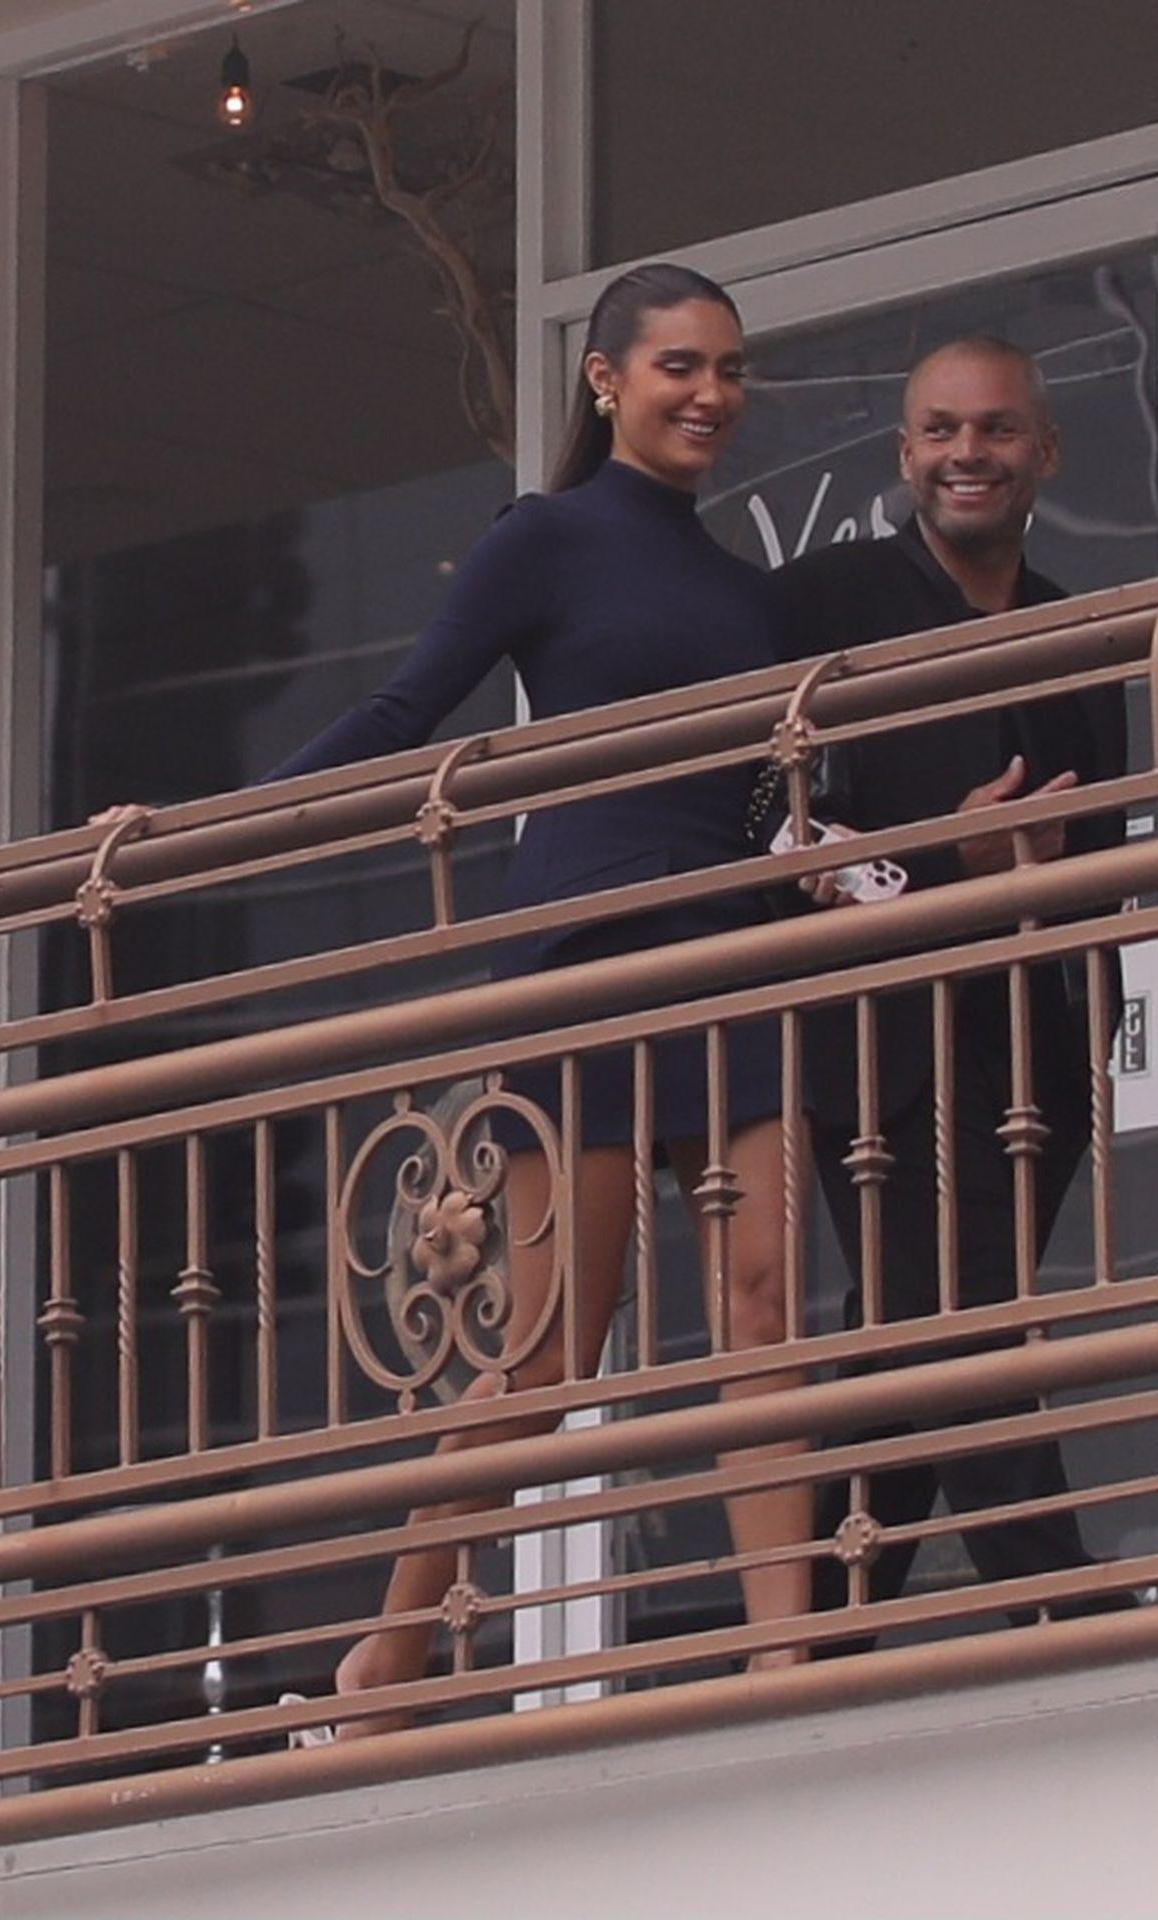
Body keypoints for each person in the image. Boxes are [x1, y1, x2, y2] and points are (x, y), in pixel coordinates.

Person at [269, 264, 812, 1734]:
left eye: (731, 369)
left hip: (729, 947)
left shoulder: (747, 590)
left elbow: (769, 795)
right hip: (581, 950)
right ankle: (388, 1657)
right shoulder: (545, 538)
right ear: (607, 380)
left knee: (764, 1303)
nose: (711, 394)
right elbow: (403, 712)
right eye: (680, 366)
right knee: (556, 1344)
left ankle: (785, 1655)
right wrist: (215, 828)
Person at [768, 335, 1133, 1630]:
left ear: (1045, 452)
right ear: (905, 454)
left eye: (995, 429)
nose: (966, 454)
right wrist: (942, 861)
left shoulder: (1075, 632)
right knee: (963, 1322)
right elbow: (768, 821)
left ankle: (808, 1634)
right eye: (940, 430)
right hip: (883, 1049)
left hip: (1037, 1051)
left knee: (909, 1334)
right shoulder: (825, 604)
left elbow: (1103, 856)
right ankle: (1058, 1605)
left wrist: (1045, 875)